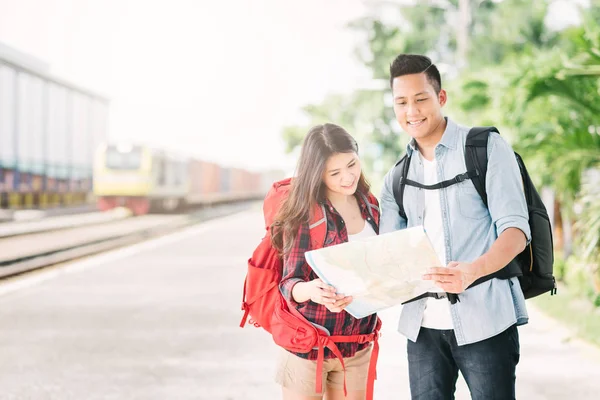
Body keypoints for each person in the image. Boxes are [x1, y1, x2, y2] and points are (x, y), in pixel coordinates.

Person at [379, 54, 530, 400]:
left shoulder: (486, 148)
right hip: (422, 330)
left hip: (486, 321)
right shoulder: (396, 177)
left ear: (441, 98)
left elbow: (516, 231)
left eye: (421, 99)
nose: (411, 111)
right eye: (401, 102)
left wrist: (471, 272)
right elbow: (389, 254)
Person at [272, 123, 380, 400]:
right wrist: (313, 291)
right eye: (335, 172)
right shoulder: (304, 212)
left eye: (352, 164)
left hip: (357, 347)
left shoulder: (371, 205)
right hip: (307, 348)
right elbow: (288, 283)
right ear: (317, 173)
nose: (348, 177)